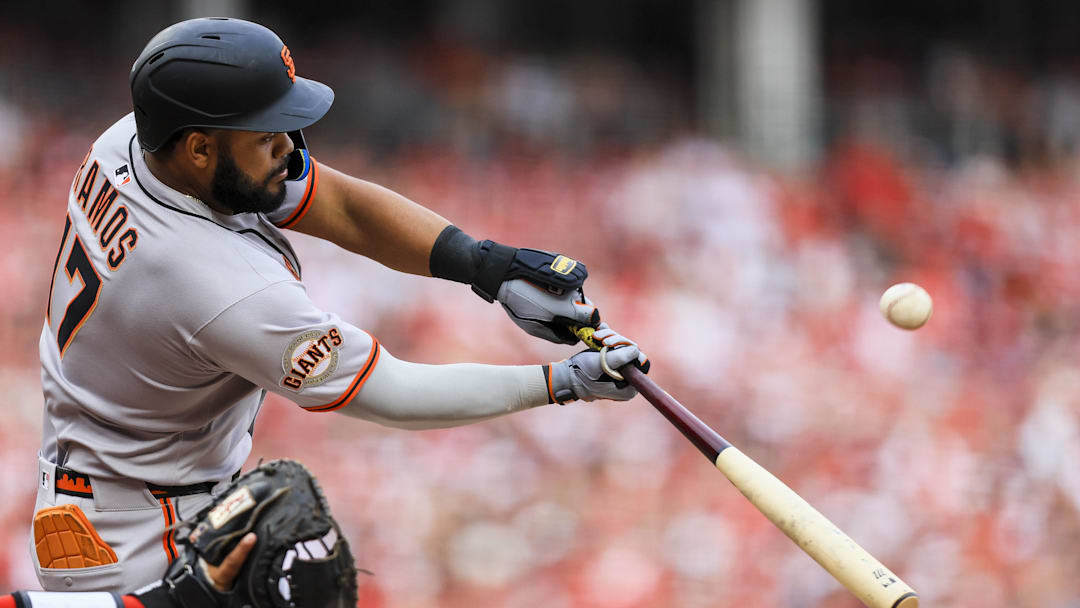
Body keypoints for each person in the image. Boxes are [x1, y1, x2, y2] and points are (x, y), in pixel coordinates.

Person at [35, 16, 648, 594]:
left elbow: (340, 205)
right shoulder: (217, 286)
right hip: (136, 541)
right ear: (199, 148)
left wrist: (486, 265)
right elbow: (396, 392)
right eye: (267, 133)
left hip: (108, 487)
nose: (289, 145)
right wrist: (562, 382)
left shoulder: (134, 143)